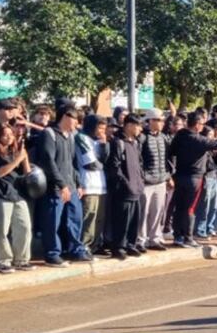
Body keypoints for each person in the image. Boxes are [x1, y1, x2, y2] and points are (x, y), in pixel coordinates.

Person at [168, 111, 217, 247]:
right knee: (190, 209)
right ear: (197, 125)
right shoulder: (198, 139)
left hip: (179, 175)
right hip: (194, 178)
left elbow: (171, 153)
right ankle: (188, 237)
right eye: (202, 124)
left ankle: (178, 236)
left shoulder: (180, 135)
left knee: (179, 207)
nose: (203, 126)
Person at [37, 104, 91, 267]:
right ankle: (52, 253)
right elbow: (49, 162)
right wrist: (61, 184)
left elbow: (72, 163)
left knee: (75, 219)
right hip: (56, 188)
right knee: (53, 221)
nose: (77, 122)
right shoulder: (49, 134)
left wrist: (79, 183)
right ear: (66, 117)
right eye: (75, 118)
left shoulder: (71, 136)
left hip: (72, 186)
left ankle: (76, 250)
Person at [0, 123, 33, 273]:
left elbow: (27, 172)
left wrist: (24, 157)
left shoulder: (15, 152)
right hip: (2, 194)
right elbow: (0, 173)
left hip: (18, 194)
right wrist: (17, 160)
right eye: (5, 135)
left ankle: (21, 259)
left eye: (11, 135)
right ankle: (3, 260)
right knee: (1, 230)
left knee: (24, 227)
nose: (8, 138)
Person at [106, 114, 145, 260]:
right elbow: (115, 167)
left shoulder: (135, 143)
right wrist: (126, 183)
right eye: (137, 125)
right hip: (123, 190)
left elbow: (140, 164)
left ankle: (130, 244)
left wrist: (140, 181)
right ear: (128, 125)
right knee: (122, 220)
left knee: (135, 220)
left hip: (137, 188)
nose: (140, 129)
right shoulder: (118, 142)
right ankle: (118, 247)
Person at [137, 109, 172, 251]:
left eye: (162, 120)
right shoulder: (142, 138)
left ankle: (154, 238)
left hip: (161, 180)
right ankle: (140, 240)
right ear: (150, 121)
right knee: (143, 212)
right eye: (158, 120)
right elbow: (138, 160)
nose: (162, 123)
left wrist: (168, 176)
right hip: (146, 182)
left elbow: (167, 159)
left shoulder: (163, 137)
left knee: (158, 211)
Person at [76, 114, 109, 255]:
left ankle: (95, 246)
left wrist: (104, 144)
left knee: (99, 219)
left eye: (104, 128)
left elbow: (105, 159)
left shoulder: (98, 141)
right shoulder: (81, 138)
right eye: (99, 128)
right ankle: (83, 246)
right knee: (88, 217)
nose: (102, 131)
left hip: (101, 185)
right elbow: (91, 164)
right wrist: (102, 164)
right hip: (88, 185)